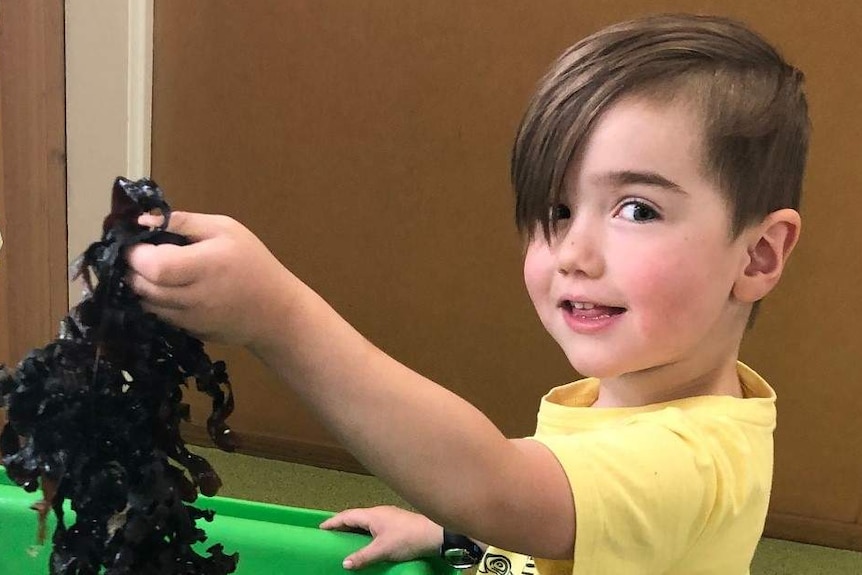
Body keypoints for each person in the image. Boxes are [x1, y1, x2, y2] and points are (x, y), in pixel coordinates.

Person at [127, 13, 809, 575]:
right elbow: (560, 525)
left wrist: (278, 316)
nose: (573, 252)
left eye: (636, 209)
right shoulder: (632, 394)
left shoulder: (696, 458)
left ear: (757, 255)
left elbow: (502, 488)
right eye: (558, 209)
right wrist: (456, 534)